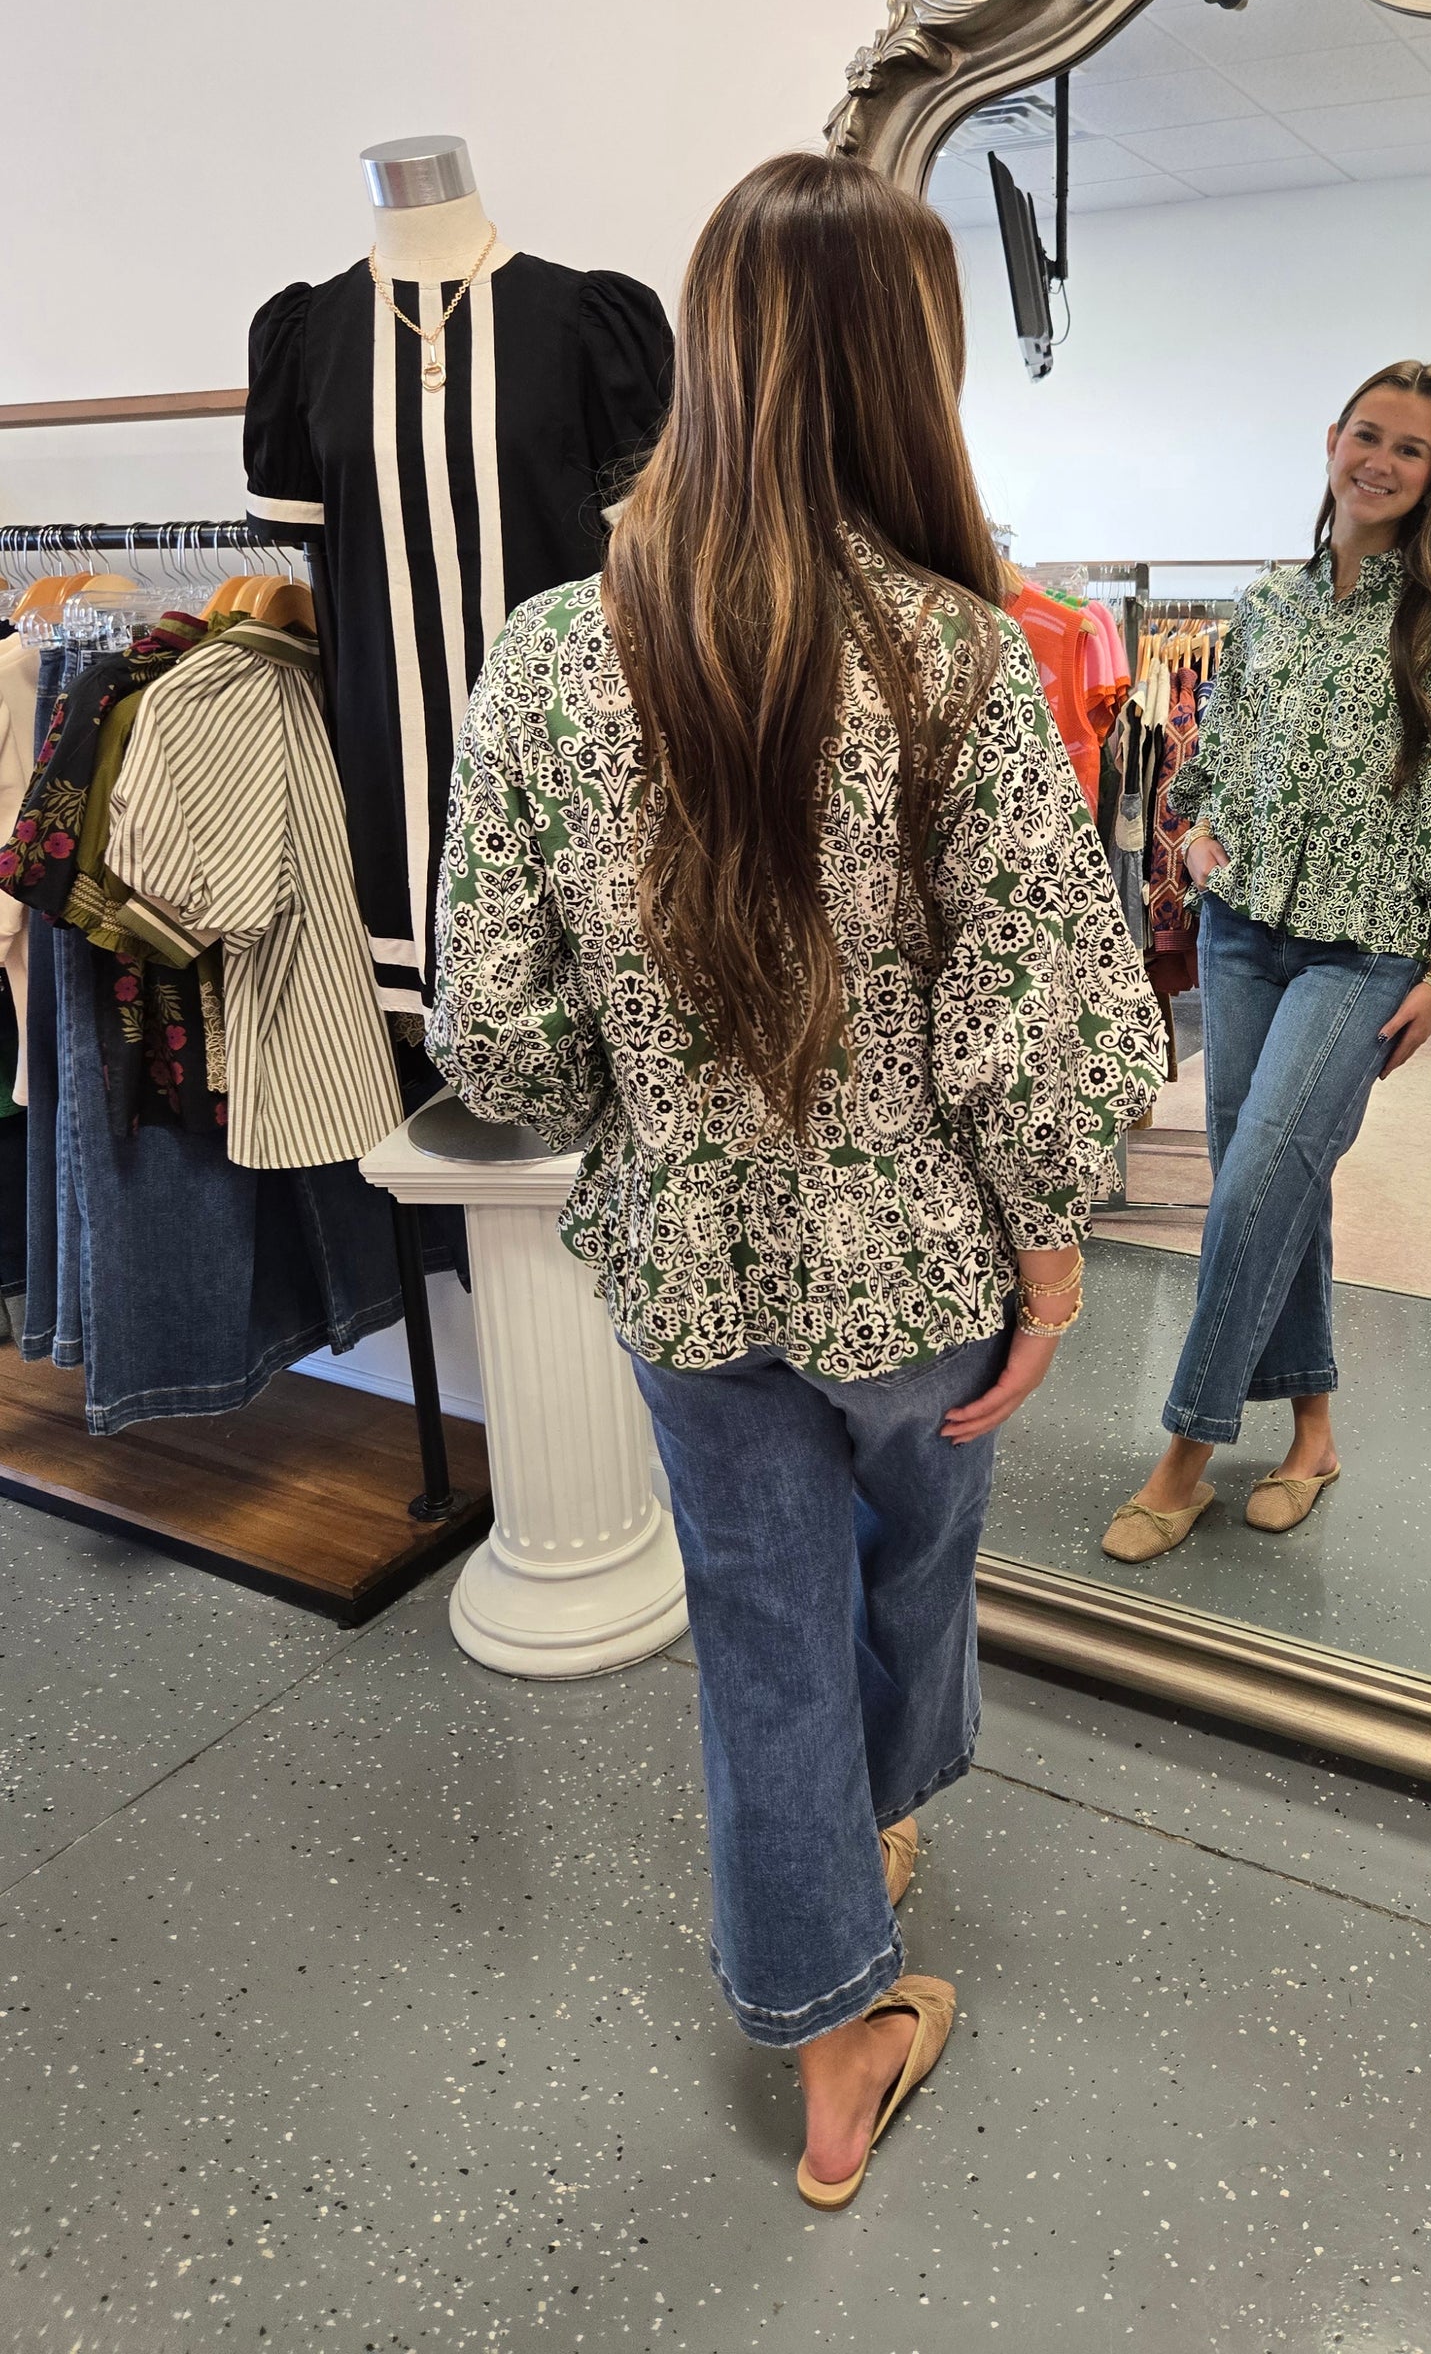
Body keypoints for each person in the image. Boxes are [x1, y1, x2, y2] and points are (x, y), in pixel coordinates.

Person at [431, 153, 1164, 2208]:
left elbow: (498, 1034)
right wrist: (1053, 1270)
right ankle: (882, 1830)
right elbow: (1033, 1016)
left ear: (718, 352)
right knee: (912, 1573)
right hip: (922, 1270)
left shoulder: (551, 656)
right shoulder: (960, 660)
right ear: (908, 367)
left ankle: (831, 2038)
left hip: (686, 1267)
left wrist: (653, 1115)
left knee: (759, 1626)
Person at [1100, 360, 1431, 1564]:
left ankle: (1184, 1452)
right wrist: (1195, 827)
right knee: (1276, 1180)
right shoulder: (1265, 605)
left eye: (1410, 449)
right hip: (1241, 932)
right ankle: (1312, 1436)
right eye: (1367, 435)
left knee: (1253, 1182)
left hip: (1367, 948)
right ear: (1332, 439)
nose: (1379, 461)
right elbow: (1217, 749)